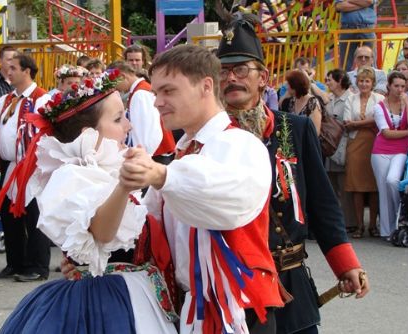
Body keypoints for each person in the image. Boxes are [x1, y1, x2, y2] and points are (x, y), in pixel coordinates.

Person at [216, 16, 369, 334]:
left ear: (263, 77)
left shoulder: (294, 128)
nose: (232, 78)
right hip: (233, 288)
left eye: (242, 69)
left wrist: (346, 264)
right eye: (224, 71)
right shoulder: (206, 136)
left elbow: (322, 203)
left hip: (291, 284)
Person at [119, 43, 283, 333]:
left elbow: (219, 195)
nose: (157, 102)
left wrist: (161, 175)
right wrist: (91, 257)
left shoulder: (241, 144)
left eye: (168, 91)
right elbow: (145, 224)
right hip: (192, 306)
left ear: (206, 86)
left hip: (239, 309)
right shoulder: (181, 156)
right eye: (156, 93)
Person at [0, 70, 177, 334]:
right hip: (106, 299)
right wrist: (123, 187)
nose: (128, 126)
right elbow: (102, 234)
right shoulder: (71, 176)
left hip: (132, 290)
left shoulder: (110, 169)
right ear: (89, 133)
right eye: (118, 119)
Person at [0, 53, 52, 282]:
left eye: (14, 67)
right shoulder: (4, 101)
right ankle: (15, 262)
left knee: (33, 215)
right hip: (10, 165)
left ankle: (38, 265)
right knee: (9, 215)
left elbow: (48, 133)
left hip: (32, 166)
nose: (9, 70)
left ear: (27, 71)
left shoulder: (41, 99)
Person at [371, 71, 408, 240]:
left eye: (402, 86)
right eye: (396, 86)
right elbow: (387, 133)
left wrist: (407, 104)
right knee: (383, 190)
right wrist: (407, 132)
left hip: (401, 150)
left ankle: (399, 220)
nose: (399, 89)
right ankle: (387, 230)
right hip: (380, 151)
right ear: (389, 86)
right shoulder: (379, 107)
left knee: (392, 181)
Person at [343, 67, 384, 238]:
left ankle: (373, 225)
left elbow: (379, 121)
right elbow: (346, 123)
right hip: (355, 144)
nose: (364, 84)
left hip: (375, 143)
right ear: (357, 82)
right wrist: (368, 123)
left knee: (374, 187)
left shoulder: (380, 98)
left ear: (373, 83)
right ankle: (359, 225)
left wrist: (358, 122)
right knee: (356, 186)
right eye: (361, 81)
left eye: (367, 81)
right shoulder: (350, 99)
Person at [108, 61, 175, 163]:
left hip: (155, 155)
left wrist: (142, 157)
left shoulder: (140, 94)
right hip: (155, 154)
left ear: (122, 76)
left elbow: (149, 131)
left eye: (113, 82)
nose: (115, 87)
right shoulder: (139, 90)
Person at [324, 69, 357, 233]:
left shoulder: (350, 98)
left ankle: (349, 222)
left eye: (330, 79)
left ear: (339, 81)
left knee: (344, 186)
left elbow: (345, 122)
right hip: (330, 146)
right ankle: (336, 221)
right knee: (331, 186)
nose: (327, 82)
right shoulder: (328, 98)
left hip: (343, 145)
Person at [334, 0, 376, 72]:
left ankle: (373, 80)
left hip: (366, 27)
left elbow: (369, 1)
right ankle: (346, 82)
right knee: (345, 64)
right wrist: (362, 4)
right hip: (347, 28)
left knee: (370, 59)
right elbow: (339, 6)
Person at [280, 69, 322, 135]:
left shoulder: (312, 103)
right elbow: (280, 107)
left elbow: (316, 132)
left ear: (295, 86)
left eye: (288, 84)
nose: (286, 87)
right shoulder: (291, 100)